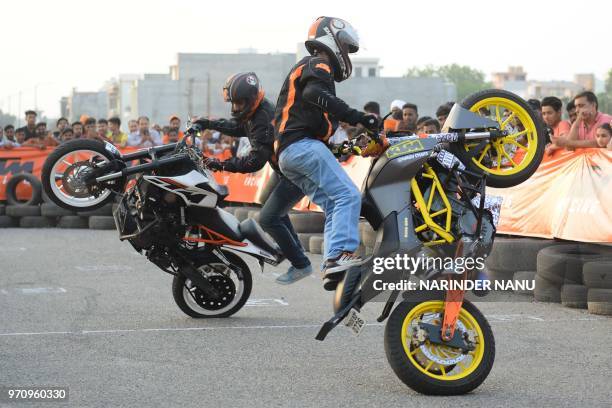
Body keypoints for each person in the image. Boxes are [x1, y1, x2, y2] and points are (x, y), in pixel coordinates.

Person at [274, 16, 379, 290]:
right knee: (347, 195)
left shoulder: (309, 68)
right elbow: (314, 94)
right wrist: (360, 117)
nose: (347, 53)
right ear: (332, 39)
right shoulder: (318, 63)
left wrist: (339, 145)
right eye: (346, 46)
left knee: (335, 204)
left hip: (289, 154)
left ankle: (332, 262)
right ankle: (341, 254)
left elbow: (307, 111)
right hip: (301, 147)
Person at [193, 72, 314, 284]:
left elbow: (255, 162)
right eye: (233, 103)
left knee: (267, 218)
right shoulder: (256, 112)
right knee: (270, 204)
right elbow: (238, 127)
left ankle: (301, 264)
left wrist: (221, 164)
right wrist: (207, 123)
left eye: (239, 103)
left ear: (250, 99)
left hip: (298, 171)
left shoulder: (263, 118)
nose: (235, 108)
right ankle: (292, 249)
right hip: (285, 168)